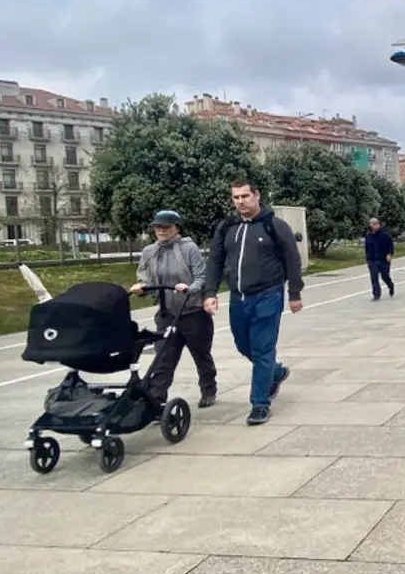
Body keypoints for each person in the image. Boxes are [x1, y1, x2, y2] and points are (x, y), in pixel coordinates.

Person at [203, 178, 304, 426]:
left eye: (245, 196)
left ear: (256, 196)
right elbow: (215, 261)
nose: (240, 202)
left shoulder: (274, 226)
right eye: (236, 197)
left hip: (268, 296)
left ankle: (259, 404)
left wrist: (294, 293)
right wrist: (209, 292)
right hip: (239, 298)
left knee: (262, 349)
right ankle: (277, 372)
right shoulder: (227, 227)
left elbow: (292, 260)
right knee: (243, 346)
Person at [130, 210, 218, 408]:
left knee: (201, 354)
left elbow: (201, 276)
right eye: (157, 227)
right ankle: (156, 398)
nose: (161, 230)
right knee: (163, 358)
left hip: (193, 312)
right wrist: (141, 288)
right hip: (166, 313)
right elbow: (144, 277)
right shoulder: (149, 252)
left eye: (166, 226)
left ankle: (208, 389)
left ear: (176, 227)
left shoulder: (189, 248)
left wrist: (190, 288)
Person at [364, 217, 395, 301]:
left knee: (385, 277)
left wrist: (389, 254)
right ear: (370, 225)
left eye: (376, 224)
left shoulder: (385, 235)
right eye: (373, 224)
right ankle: (376, 294)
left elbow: (390, 246)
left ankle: (390, 285)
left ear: (379, 225)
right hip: (372, 260)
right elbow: (366, 248)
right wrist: (367, 258)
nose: (375, 225)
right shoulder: (368, 236)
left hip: (383, 260)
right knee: (374, 277)